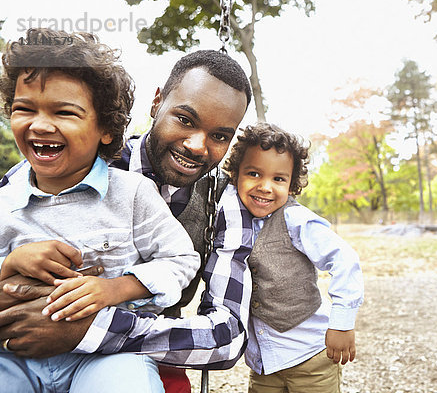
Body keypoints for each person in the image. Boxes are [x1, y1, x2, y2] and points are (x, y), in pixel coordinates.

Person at [0, 28, 254, 379]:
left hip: (124, 355)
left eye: (220, 135)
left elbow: (227, 337)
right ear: (156, 103)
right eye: (185, 119)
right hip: (25, 350)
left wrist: (89, 331)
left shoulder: (224, 198)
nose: (197, 145)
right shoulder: (56, 169)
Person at [217, 123, 364, 393]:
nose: (265, 187)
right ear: (235, 175)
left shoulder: (295, 219)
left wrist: (342, 324)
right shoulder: (232, 220)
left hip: (310, 357)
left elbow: (344, 259)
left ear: (292, 183)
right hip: (263, 364)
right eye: (253, 174)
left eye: (279, 179)